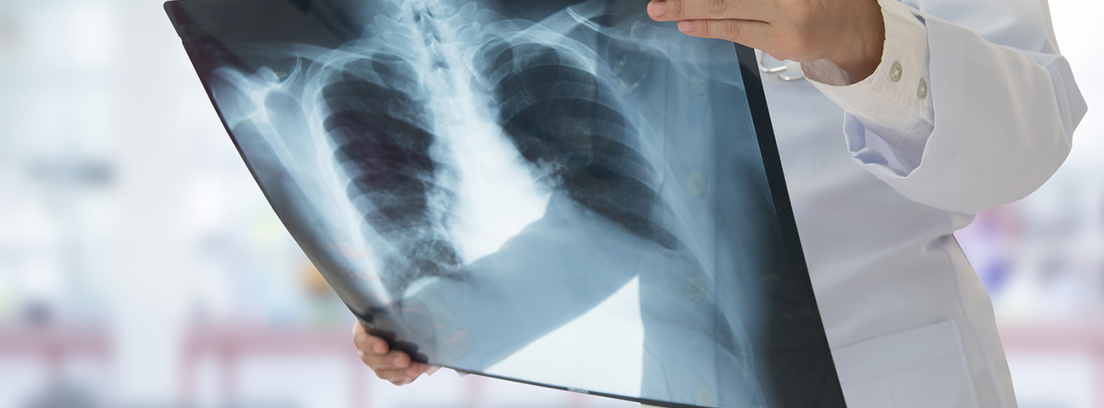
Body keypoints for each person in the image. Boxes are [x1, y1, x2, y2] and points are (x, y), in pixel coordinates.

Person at [354, 0, 1087, 406]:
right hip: (679, 384)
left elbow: (1029, 139)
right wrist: (463, 312)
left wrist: (867, 41)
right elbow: (632, 209)